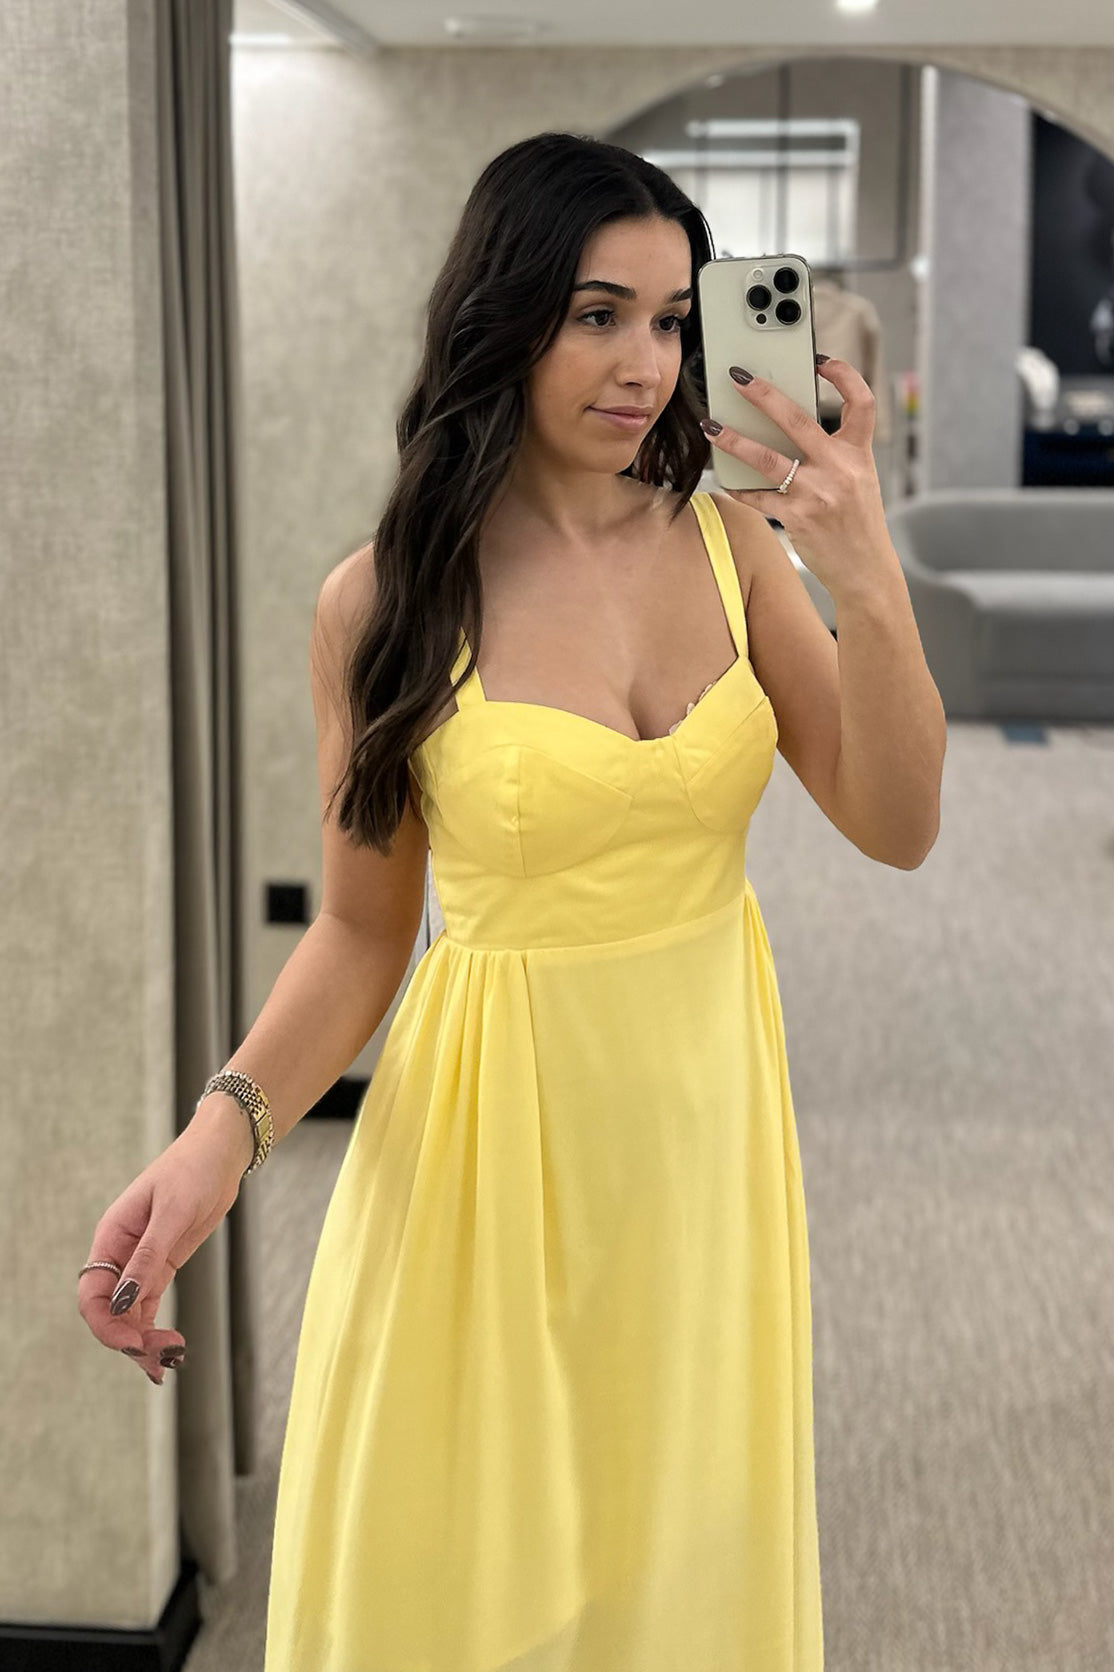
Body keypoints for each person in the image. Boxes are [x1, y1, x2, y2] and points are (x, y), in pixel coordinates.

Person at [79, 128, 913, 1671]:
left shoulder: (733, 543)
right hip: (487, 1154)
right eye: (598, 314)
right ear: (505, 314)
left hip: (705, 1143)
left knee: (678, 1564)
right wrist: (216, 1140)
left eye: (672, 320)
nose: (645, 364)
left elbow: (897, 822)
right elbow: (360, 930)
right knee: (471, 1580)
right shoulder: (384, 599)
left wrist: (865, 575)